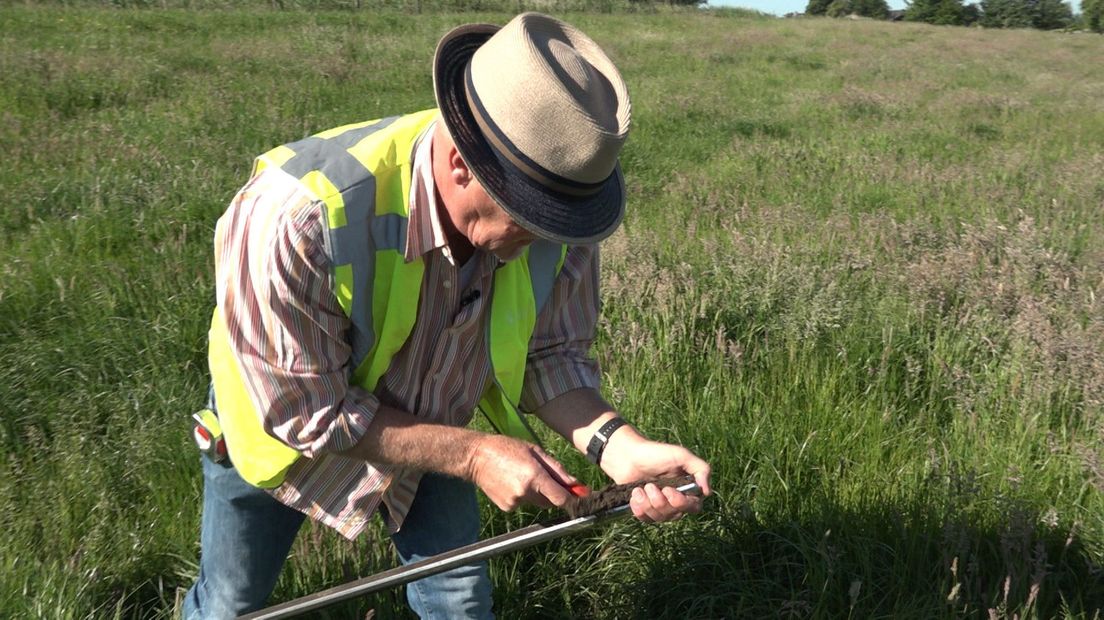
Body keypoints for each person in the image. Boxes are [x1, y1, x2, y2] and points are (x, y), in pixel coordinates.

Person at [183, 12, 712, 619]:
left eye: (559, 221)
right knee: (232, 602)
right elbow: (303, 411)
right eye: (531, 215)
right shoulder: (293, 217)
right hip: (285, 430)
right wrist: (475, 455)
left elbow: (551, 355)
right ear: (462, 164)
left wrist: (619, 449)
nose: (549, 240)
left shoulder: (558, 218)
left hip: (439, 421)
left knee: (460, 603)